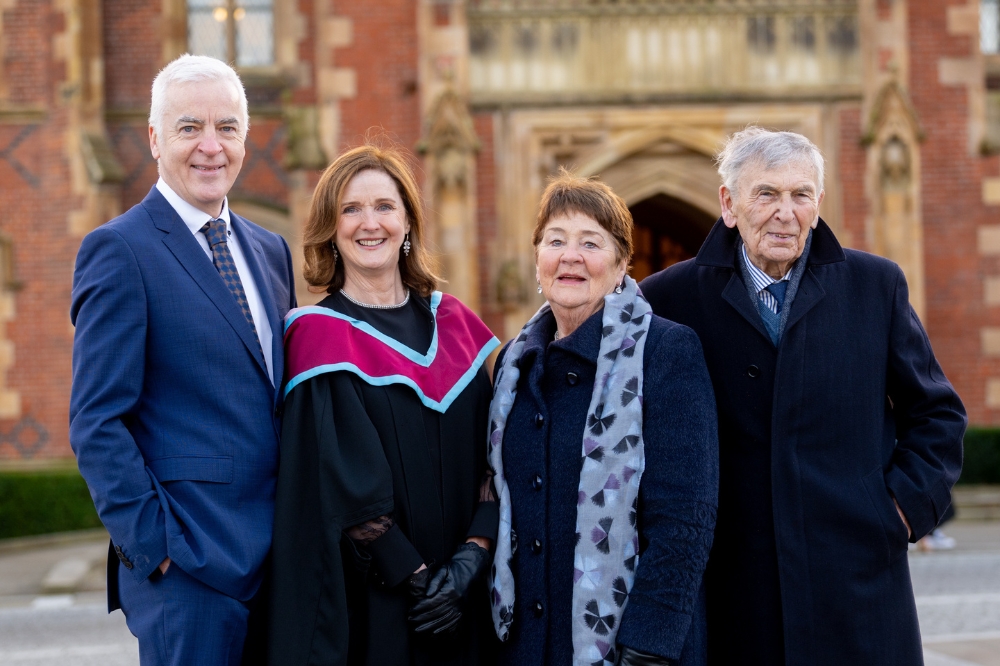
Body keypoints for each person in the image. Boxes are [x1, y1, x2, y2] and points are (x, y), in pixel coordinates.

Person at [639, 127, 967, 665]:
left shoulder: (875, 286)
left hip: (856, 582)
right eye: (766, 194)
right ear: (729, 203)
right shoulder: (668, 298)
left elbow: (937, 414)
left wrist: (899, 512)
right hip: (729, 589)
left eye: (801, 195)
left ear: (819, 204)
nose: (784, 212)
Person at [69, 54, 296, 665]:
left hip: (279, 568)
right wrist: (157, 548)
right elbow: (96, 422)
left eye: (226, 127)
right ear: (154, 139)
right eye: (189, 127)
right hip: (188, 575)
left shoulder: (270, 251)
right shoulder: (120, 250)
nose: (210, 147)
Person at [267, 144, 501, 666]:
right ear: (330, 228)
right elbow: (338, 477)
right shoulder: (316, 337)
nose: (369, 223)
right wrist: (418, 580)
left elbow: (497, 454)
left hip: (471, 595)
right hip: (380, 602)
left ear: (408, 222)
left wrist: (472, 559)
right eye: (350, 209)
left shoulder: (455, 324)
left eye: (384, 207)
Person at [487, 171, 719, 666]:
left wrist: (648, 644)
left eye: (590, 242)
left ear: (620, 267)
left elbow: (686, 516)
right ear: (537, 262)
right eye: (556, 241)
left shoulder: (665, 351)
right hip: (527, 643)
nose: (570, 255)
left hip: (629, 646)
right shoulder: (513, 364)